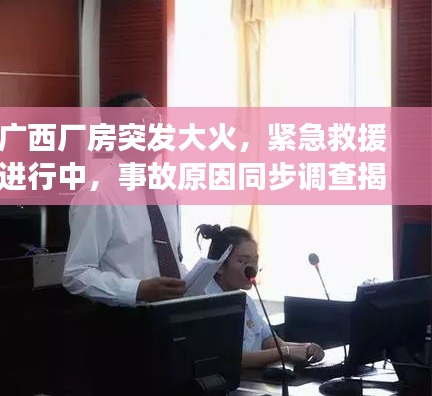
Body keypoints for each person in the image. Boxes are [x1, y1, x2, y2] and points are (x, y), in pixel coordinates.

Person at [63, 91, 187, 306]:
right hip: (126, 317)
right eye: (145, 121)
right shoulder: (98, 193)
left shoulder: (167, 190)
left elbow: (173, 259)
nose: (156, 127)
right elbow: (76, 274)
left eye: (157, 118)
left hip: (173, 313)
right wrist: (137, 290)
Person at [197, 223, 325, 369]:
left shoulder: (245, 300)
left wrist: (307, 348)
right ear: (219, 266)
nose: (252, 268)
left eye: (255, 261)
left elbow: (271, 343)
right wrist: (286, 352)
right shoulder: (203, 300)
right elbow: (232, 358)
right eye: (243, 261)